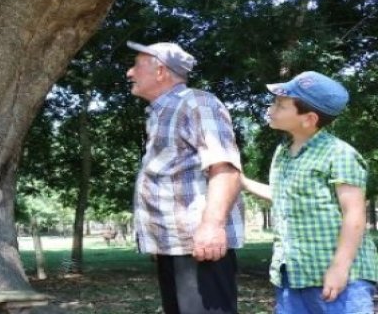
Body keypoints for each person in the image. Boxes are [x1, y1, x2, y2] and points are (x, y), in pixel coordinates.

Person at [241, 71, 378, 313]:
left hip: (337, 280)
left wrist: (339, 268)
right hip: (292, 275)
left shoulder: (340, 154)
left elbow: (354, 214)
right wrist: (242, 181)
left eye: (281, 105)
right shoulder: (283, 151)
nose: (271, 109)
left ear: (309, 119)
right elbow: (284, 197)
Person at [126, 41, 244, 314]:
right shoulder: (161, 112)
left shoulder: (197, 103)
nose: (129, 72)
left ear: (160, 71)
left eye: (136, 65)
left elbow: (224, 168)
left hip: (201, 246)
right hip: (174, 246)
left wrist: (212, 226)